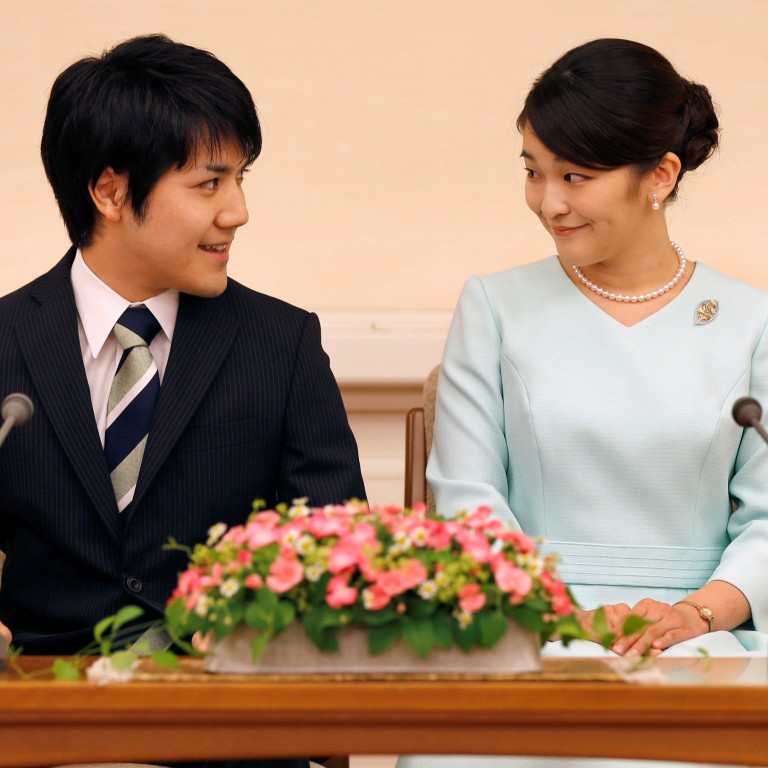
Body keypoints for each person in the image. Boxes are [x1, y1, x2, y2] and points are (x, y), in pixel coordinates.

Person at [398, 38, 768, 768]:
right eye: (534, 173)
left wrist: (697, 611)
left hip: (704, 632)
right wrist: (563, 615)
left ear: (659, 175)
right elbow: (469, 501)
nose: (549, 202)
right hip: (522, 628)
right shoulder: (495, 305)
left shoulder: (751, 319)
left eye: (576, 175)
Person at [0, 34, 365, 768]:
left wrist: (267, 625)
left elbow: (341, 551)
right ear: (109, 191)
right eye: (209, 184)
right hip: (39, 722)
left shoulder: (281, 344)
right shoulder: (5, 342)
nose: (238, 212)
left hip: (233, 726)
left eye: (242, 180)